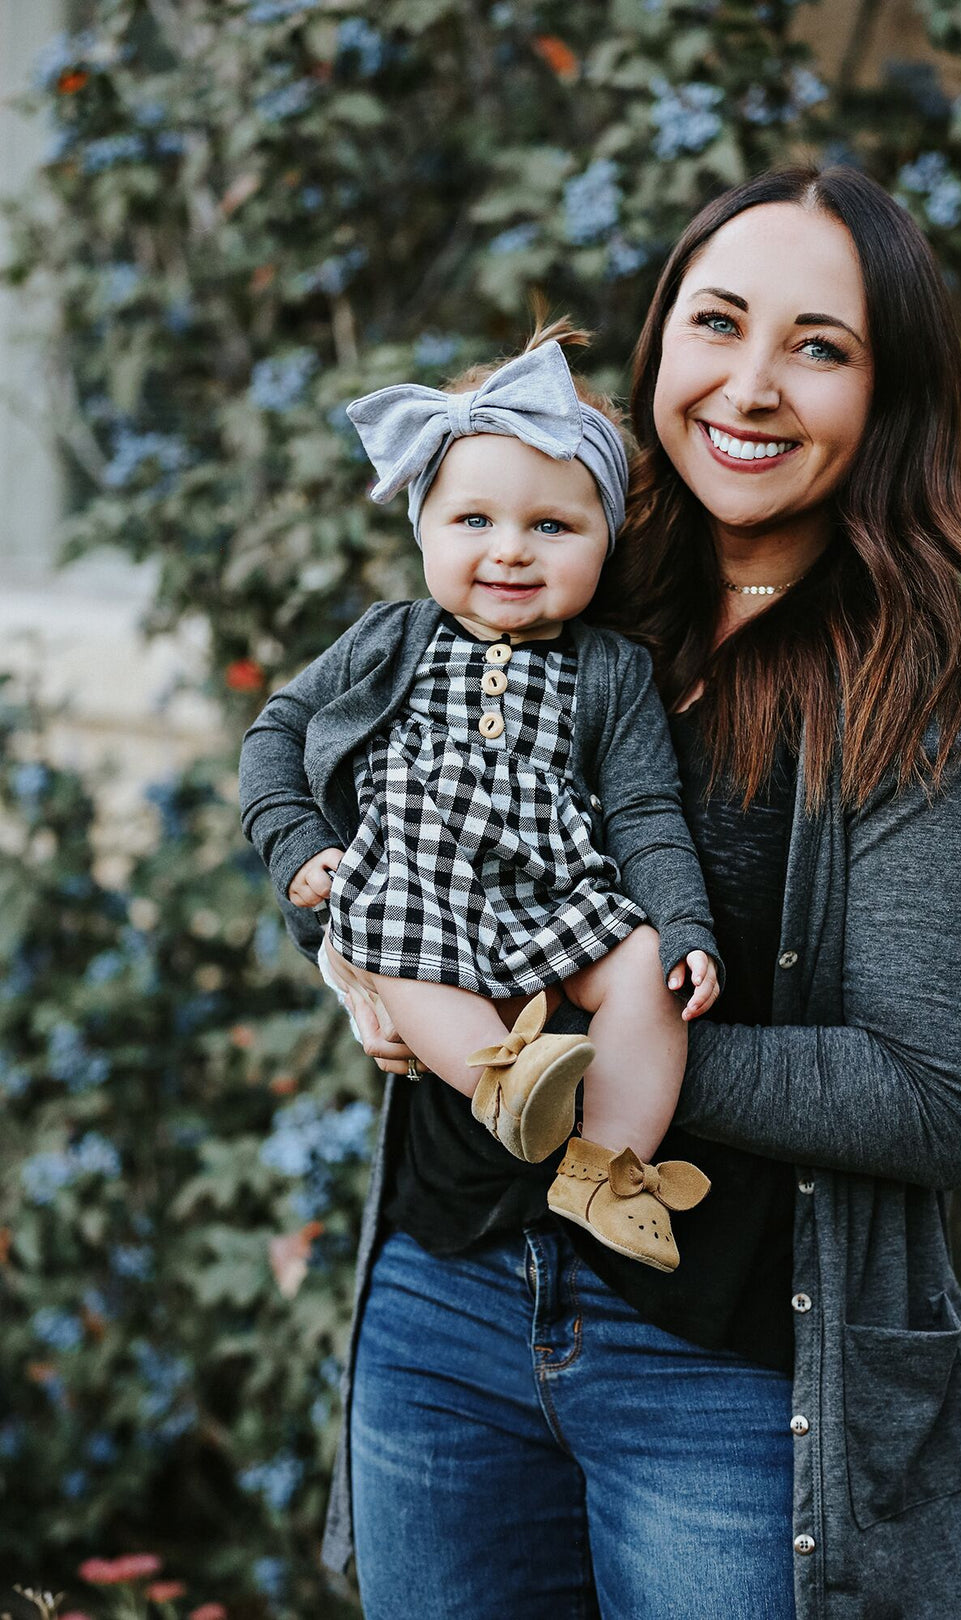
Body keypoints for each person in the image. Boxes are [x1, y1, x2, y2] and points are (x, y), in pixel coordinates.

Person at [257, 165, 961, 1618]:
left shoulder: (928, 687)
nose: (750, 386)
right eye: (719, 324)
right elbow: (345, 790)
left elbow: (933, 1095)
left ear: (895, 395)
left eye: (822, 346)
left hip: (728, 1380)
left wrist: (581, 1058)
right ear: (658, 347)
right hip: (445, 1312)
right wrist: (354, 957)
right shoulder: (562, 564)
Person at [241, 326, 719, 1270]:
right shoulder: (392, 639)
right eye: (473, 522)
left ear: (603, 543)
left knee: (642, 966)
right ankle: (504, 1082)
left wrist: (688, 925)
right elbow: (277, 733)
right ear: (422, 525)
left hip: (550, 892)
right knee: (386, 933)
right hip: (417, 887)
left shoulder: (613, 673)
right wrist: (295, 844)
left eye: (552, 526)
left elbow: (645, 813)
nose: (510, 552)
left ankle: (610, 1168)